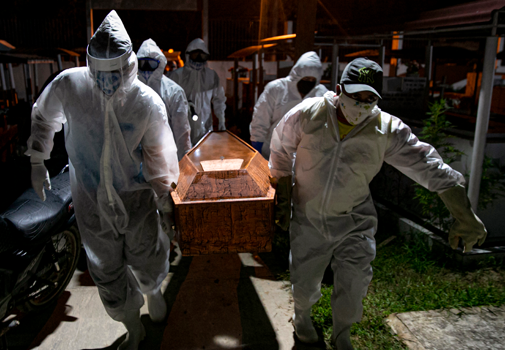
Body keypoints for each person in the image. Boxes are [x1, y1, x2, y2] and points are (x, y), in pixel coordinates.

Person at [269, 58, 487, 349]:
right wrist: (283, 197)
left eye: (369, 98)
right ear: (338, 90)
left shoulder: (386, 129)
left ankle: (342, 332)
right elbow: (280, 149)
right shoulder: (309, 114)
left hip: (354, 219)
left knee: (355, 282)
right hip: (310, 214)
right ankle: (303, 316)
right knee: (305, 279)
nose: (361, 105)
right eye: (355, 96)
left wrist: (464, 214)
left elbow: (428, 165)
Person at [26, 11, 179, 350]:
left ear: (129, 67)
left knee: (147, 256)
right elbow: (43, 116)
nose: (107, 81)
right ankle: (131, 326)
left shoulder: (146, 103)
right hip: (91, 201)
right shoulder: (70, 86)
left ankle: (153, 291)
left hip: (136, 199)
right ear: (89, 65)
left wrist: (165, 202)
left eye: (116, 73)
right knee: (105, 271)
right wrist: (38, 158)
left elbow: (160, 158)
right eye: (101, 72)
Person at [249, 51, 328, 159]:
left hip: (306, 157)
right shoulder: (276, 89)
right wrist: (257, 148)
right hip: (273, 153)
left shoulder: (321, 93)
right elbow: (260, 120)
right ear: (297, 75)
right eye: (305, 79)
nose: (308, 82)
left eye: (312, 80)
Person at [137, 38, 192, 160]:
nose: (146, 69)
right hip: (138, 162)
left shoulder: (173, 92)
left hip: (166, 160)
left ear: (160, 63)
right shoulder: (131, 90)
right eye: (142, 63)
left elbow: (182, 133)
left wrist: (184, 162)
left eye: (151, 64)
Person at [168, 38, 226, 143]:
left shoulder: (211, 76)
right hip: (182, 129)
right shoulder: (177, 76)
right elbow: (168, 101)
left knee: (204, 156)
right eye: (195, 55)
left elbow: (219, 99)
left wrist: (221, 120)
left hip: (205, 129)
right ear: (188, 55)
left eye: (202, 56)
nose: (198, 59)